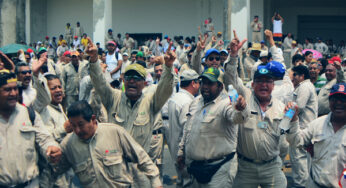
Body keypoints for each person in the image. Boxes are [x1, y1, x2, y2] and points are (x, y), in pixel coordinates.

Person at [86, 37, 174, 187]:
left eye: (136, 78)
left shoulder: (151, 102)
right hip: (114, 170)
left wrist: (168, 66)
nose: (132, 81)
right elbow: (99, 82)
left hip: (141, 170)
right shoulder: (113, 98)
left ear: (144, 83)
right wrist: (94, 60)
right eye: (128, 77)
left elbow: (165, 88)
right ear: (123, 80)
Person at [226, 31, 291, 187]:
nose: (263, 85)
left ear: (273, 85)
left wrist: (278, 159)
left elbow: (285, 141)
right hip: (245, 169)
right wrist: (234, 55)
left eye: (268, 81)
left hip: (272, 167)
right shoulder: (245, 98)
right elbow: (231, 81)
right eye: (259, 81)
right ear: (252, 84)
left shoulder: (281, 108)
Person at [53, 101, 163, 188]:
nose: (77, 130)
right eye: (73, 125)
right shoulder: (68, 144)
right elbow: (53, 170)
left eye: (81, 125)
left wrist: (155, 182)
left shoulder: (115, 132)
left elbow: (141, 157)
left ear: (93, 119)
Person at [178, 67, 248, 187]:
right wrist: (181, 152)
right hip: (196, 168)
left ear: (220, 87)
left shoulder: (226, 104)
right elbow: (187, 129)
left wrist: (241, 109)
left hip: (220, 168)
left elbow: (237, 117)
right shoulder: (196, 102)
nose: (205, 86)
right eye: (203, 82)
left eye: (210, 83)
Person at [0, 69, 62, 187]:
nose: (13, 93)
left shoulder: (29, 114)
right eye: (7, 90)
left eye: (15, 89)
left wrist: (52, 148)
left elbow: (44, 139)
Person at [286, 83, 346, 188]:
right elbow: (296, 141)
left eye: (343, 99)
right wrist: (293, 120)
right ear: (329, 102)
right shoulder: (317, 124)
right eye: (334, 99)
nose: (339, 103)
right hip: (315, 184)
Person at [166, 69, 200, 187]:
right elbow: (187, 129)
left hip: (174, 149)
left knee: (181, 182)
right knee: (188, 183)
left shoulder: (175, 98)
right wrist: (183, 153)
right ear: (193, 83)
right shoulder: (188, 102)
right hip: (184, 154)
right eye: (198, 82)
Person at [290, 65, 318, 187]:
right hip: (304, 127)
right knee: (302, 160)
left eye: (295, 75)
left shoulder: (305, 87)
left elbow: (298, 106)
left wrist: (283, 118)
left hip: (303, 128)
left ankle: (300, 185)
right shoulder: (304, 86)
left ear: (302, 76)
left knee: (299, 159)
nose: (293, 77)